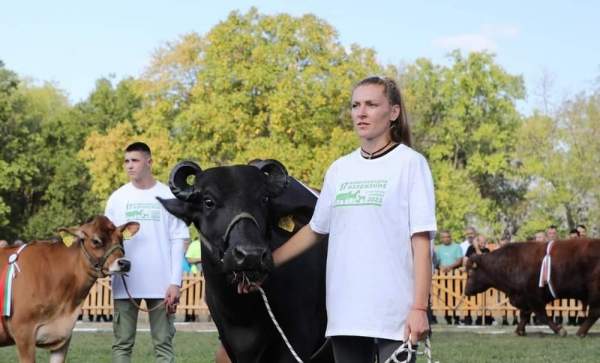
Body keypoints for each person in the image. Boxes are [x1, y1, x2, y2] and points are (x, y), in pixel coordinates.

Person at [269, 76, 436, 363]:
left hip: (394, 314)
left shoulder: (410, 164)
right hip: (345, 312)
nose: (361, 112)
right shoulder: (339, 169)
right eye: (355, 105)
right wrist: (267, 264)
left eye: (371, 104)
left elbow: (421, 242)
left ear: (393, 112)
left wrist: (419, 308)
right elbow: (315, 230)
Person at [105, 142, 190, 363]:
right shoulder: (117, 198)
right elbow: (108, 242)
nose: (129, 166)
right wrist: (109, 271)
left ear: (149, 162)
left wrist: (175, 282)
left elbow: (179, 239)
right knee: (122, 343)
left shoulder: (168, 196)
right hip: (125, 283)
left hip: (162, 284)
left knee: (163, 344)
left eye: (135, 160)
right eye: (126, 161)